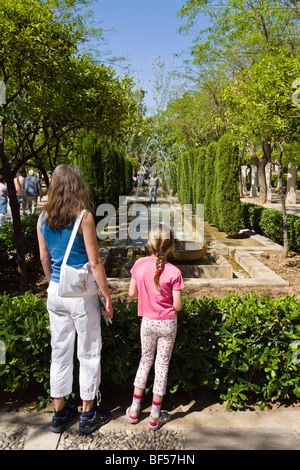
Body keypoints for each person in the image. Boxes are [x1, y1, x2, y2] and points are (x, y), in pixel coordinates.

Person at [37, 164, 113, 434]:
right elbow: (94, 262)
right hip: (81, 295)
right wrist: (106, 296)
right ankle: (88, 413)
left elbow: (45, 259)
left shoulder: (42, 217)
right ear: (78, 186)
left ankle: (59, 414)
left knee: (59, 353)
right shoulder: (85, 217)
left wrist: (53, 282)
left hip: (56, 292)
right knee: (89, 352)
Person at [127, 224, 184, 430]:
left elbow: (132, 293)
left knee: (145, 361)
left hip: (148, 322)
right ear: (170, 246)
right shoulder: (175, 272)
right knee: (161, 366)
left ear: (149, 244)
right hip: (168, 323)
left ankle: (134, 410)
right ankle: (154, 415)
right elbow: (177, 305)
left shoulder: (139, 265)